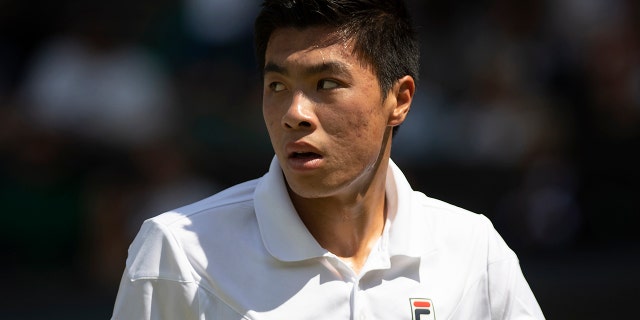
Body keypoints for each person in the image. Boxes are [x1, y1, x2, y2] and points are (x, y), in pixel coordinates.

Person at [111, 0, 545, 319]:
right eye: (277, 86)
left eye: (326, 83)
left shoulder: (475, 251)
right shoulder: (176, 253)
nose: (294, 114)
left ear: (400, 99)